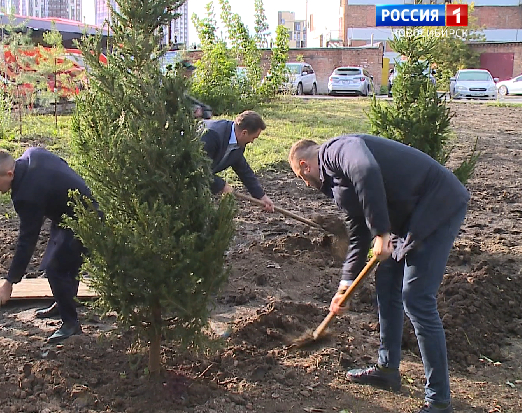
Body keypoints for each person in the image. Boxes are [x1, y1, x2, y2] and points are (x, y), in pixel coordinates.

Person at [288, 135, 469, 413]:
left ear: (304, 165)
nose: (307, 185)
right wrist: (344, 287)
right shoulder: (337, 186)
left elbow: (367, 170)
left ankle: (439, 400)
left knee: (417, 298)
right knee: (386, 282)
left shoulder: (338, 150)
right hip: (407, 217)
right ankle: (387, 370)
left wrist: (382, 232)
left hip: (437, 204)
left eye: (302, 178)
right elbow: (359, 235)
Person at [0, 147, 95, 343]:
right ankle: (64, 302)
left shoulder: (27, 194)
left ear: (9, 174)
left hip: (84, 217)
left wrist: (9, 282)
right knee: (61, 262)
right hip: (66, 213)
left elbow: (27, 240)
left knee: (55, 268)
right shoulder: (32, 154)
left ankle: (70, 324)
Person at [200, 110, 274, 212]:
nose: (252, 141)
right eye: (253, 138)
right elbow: (198, 169)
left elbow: (243, 170)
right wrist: (221, 186)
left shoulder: (238, 143)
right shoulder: (212, 136)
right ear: (244, 133)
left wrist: (261, 196)